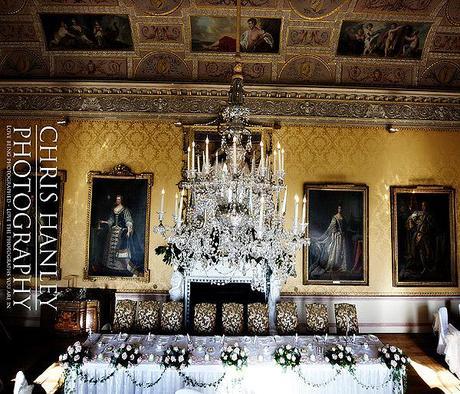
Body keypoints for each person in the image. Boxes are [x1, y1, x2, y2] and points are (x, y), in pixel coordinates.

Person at [98, 194, 141, 276]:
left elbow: (129, 221)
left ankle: (121, 267)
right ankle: (110, 266)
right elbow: (111, 220)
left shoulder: (125, 210)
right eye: (117, 199)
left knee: (120, 248)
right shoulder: (113, 209)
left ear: (122, 200)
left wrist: (129, 231)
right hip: (113, 231)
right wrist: (104, 222)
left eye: (119, 199)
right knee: (110, 247)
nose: (118, 201)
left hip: (121, 232)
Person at [311, 204, 350, 273]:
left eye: (341, 208)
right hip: (337, 237)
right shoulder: (335, 217)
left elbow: (345, 227)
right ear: (337, 209)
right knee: (336, 251)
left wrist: (343, 232)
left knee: (342, 251)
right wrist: (337, 232)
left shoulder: (343, 217)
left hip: (342, 237)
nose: (340, 210)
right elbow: (332, 227)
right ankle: (333, 266)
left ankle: (341, 266)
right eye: (339, 208)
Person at [405, 200, 435, 275]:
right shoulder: (419, 214)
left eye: (425, 205)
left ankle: (428, 267)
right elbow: (412, 221)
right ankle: (424, 267)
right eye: (422, 205)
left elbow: (432, 226)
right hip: (419, 235)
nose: (423, 207)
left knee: (428, 252)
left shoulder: (429, 215)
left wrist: (428, 223)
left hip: (426, 235)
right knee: (421, 251)